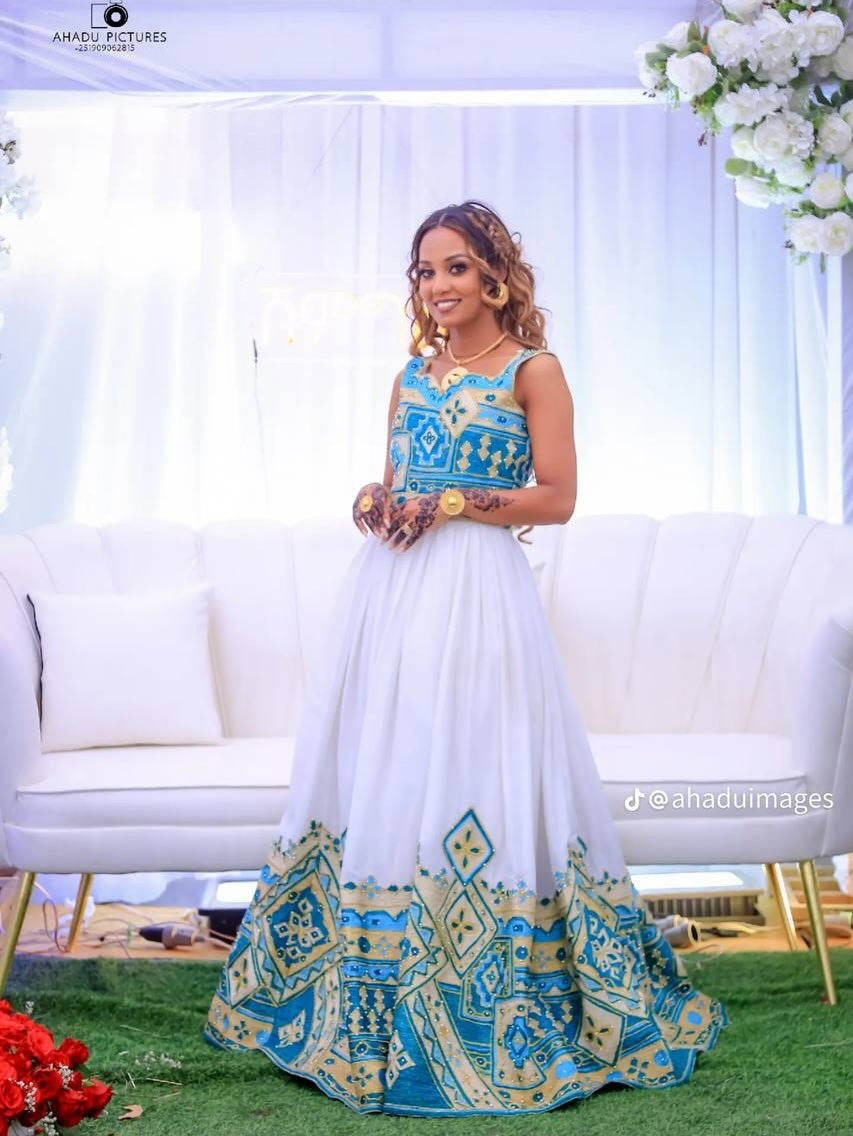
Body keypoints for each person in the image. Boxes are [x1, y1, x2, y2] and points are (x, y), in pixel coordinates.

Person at [204, 199, 728, 1117]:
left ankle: (488, 996)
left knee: (476, 757)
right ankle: (363, 983)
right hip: (391, 591)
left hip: (480, 593)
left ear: (493, 275)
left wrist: (451, 504)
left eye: (454, 267)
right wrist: (376, 499)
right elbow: (396, 480)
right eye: (423, 271)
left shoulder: (534, 370)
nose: (436, 285)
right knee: (392, 760)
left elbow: (557, 498)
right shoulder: (411, 374)